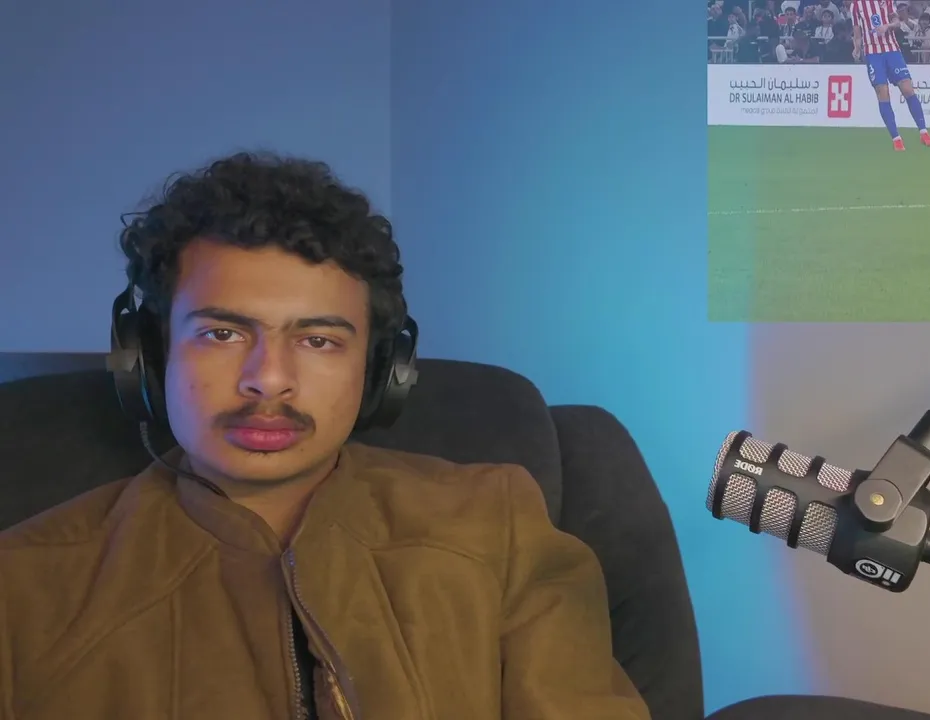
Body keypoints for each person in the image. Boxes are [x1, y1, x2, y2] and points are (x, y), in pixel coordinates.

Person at [0, 152, 651, 720]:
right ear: (148, 357)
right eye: (222, 333)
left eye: (318, 340)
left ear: (381, 371)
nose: (268, 381)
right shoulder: (24, 586)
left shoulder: (497, 525)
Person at [849, 0, 930, 150]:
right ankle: (896, 139)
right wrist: (856, 48)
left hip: (892, 50)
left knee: (907, 89)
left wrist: (887, 26)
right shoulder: (856, 5)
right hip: (872, 53)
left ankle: (923, 132)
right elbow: (857, 33)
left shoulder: (887, 1)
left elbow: (896, 22)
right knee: (882, 92)